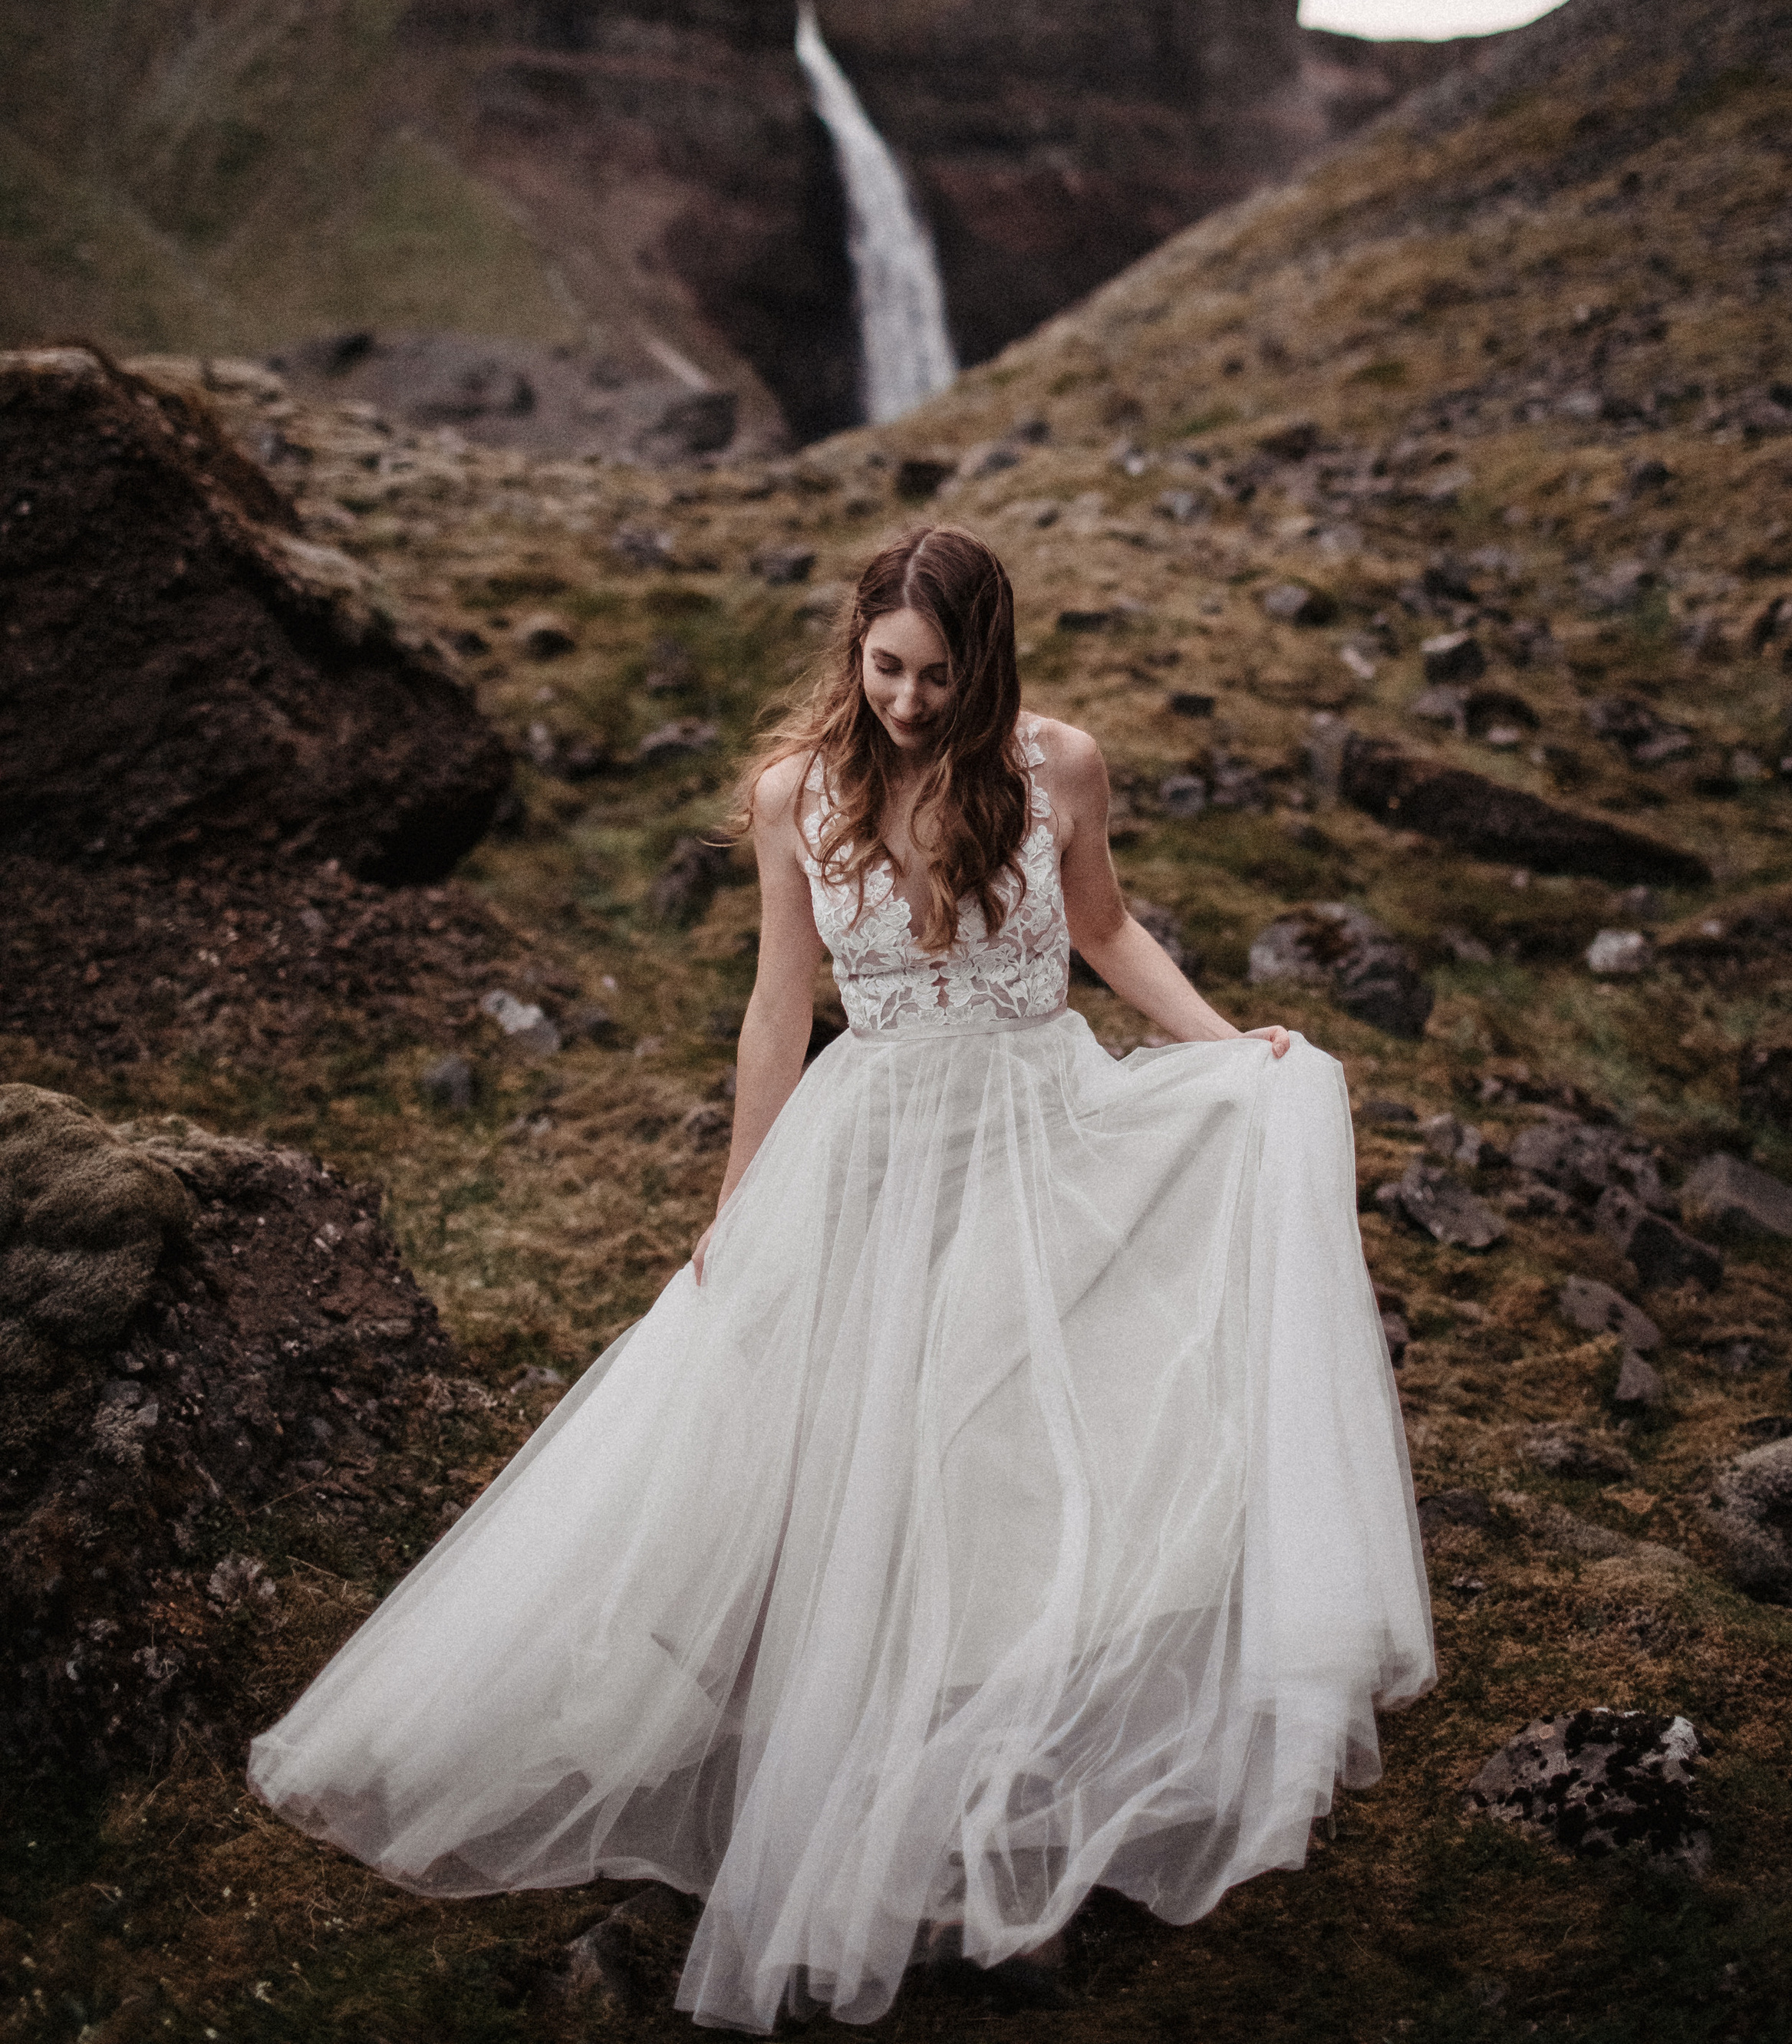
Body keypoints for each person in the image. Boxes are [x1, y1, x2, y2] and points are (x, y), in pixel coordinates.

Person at [248, 524, 1433, 2030]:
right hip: (871, 1137)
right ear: (851, 652)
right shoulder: (792, 796)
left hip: (1041, 1116)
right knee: (845, 1434)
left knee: (1015, 1418)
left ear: (984, 663)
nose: (909, 701)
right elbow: (772, 1008)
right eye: (884, 668)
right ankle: (843, 1730)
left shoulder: (1058, 767)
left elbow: (1103, 930)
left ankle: (998, 1715)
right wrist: (738, 1195)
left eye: (939, 675)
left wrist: (1221, 1048)